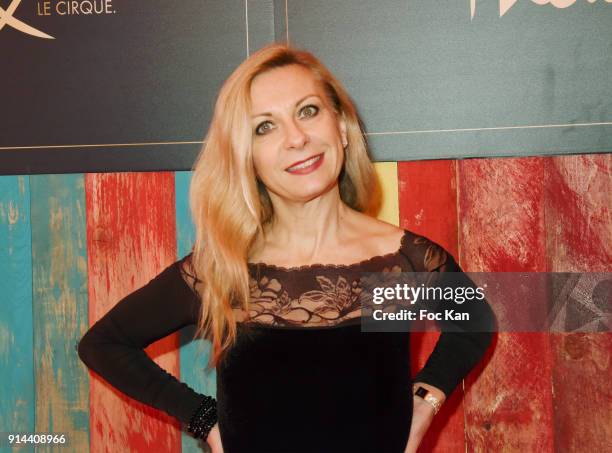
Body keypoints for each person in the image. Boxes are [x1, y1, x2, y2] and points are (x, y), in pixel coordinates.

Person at [78, 43, 495, 453]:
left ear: (343, 128)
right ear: (247, 159)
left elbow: (476, 322)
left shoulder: (405, 261)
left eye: (308, 111)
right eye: (265, 126)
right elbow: (103, 344)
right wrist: (205, 420)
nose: (296, 138)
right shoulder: (222, 269)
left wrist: (425, 402)